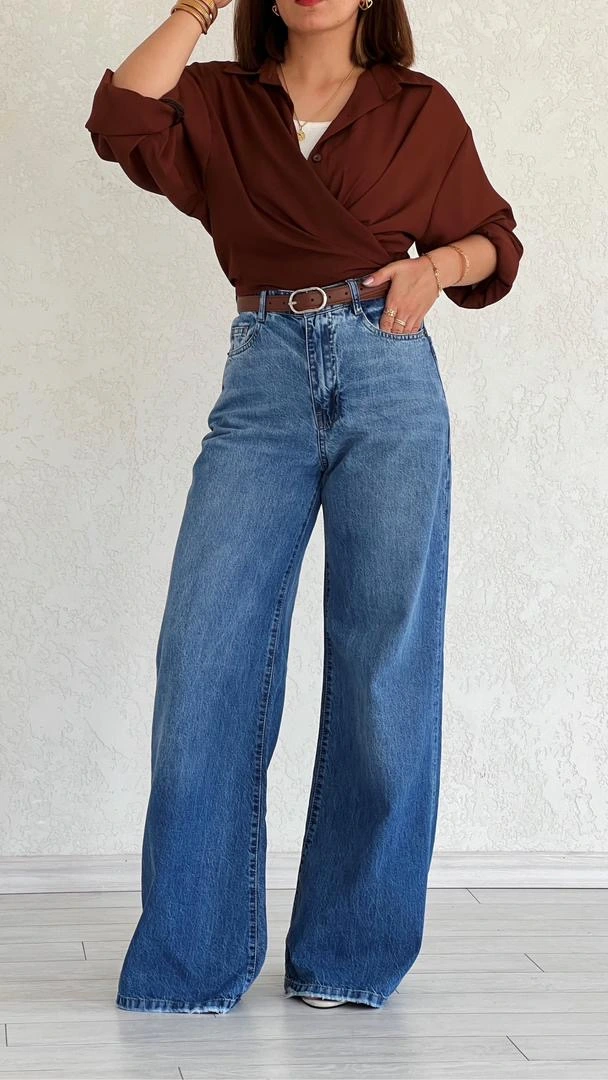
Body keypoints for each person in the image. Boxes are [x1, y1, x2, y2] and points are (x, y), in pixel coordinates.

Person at [84, 0, 523, 1016]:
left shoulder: (417, 107)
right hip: (263, 374)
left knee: (383, 663)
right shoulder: (218, 100)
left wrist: (433, 267)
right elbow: (120, 119)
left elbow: (494, 241)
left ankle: (349, 956)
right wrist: (196, 9)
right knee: (204, 654)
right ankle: (193, 963)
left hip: (388, 371)